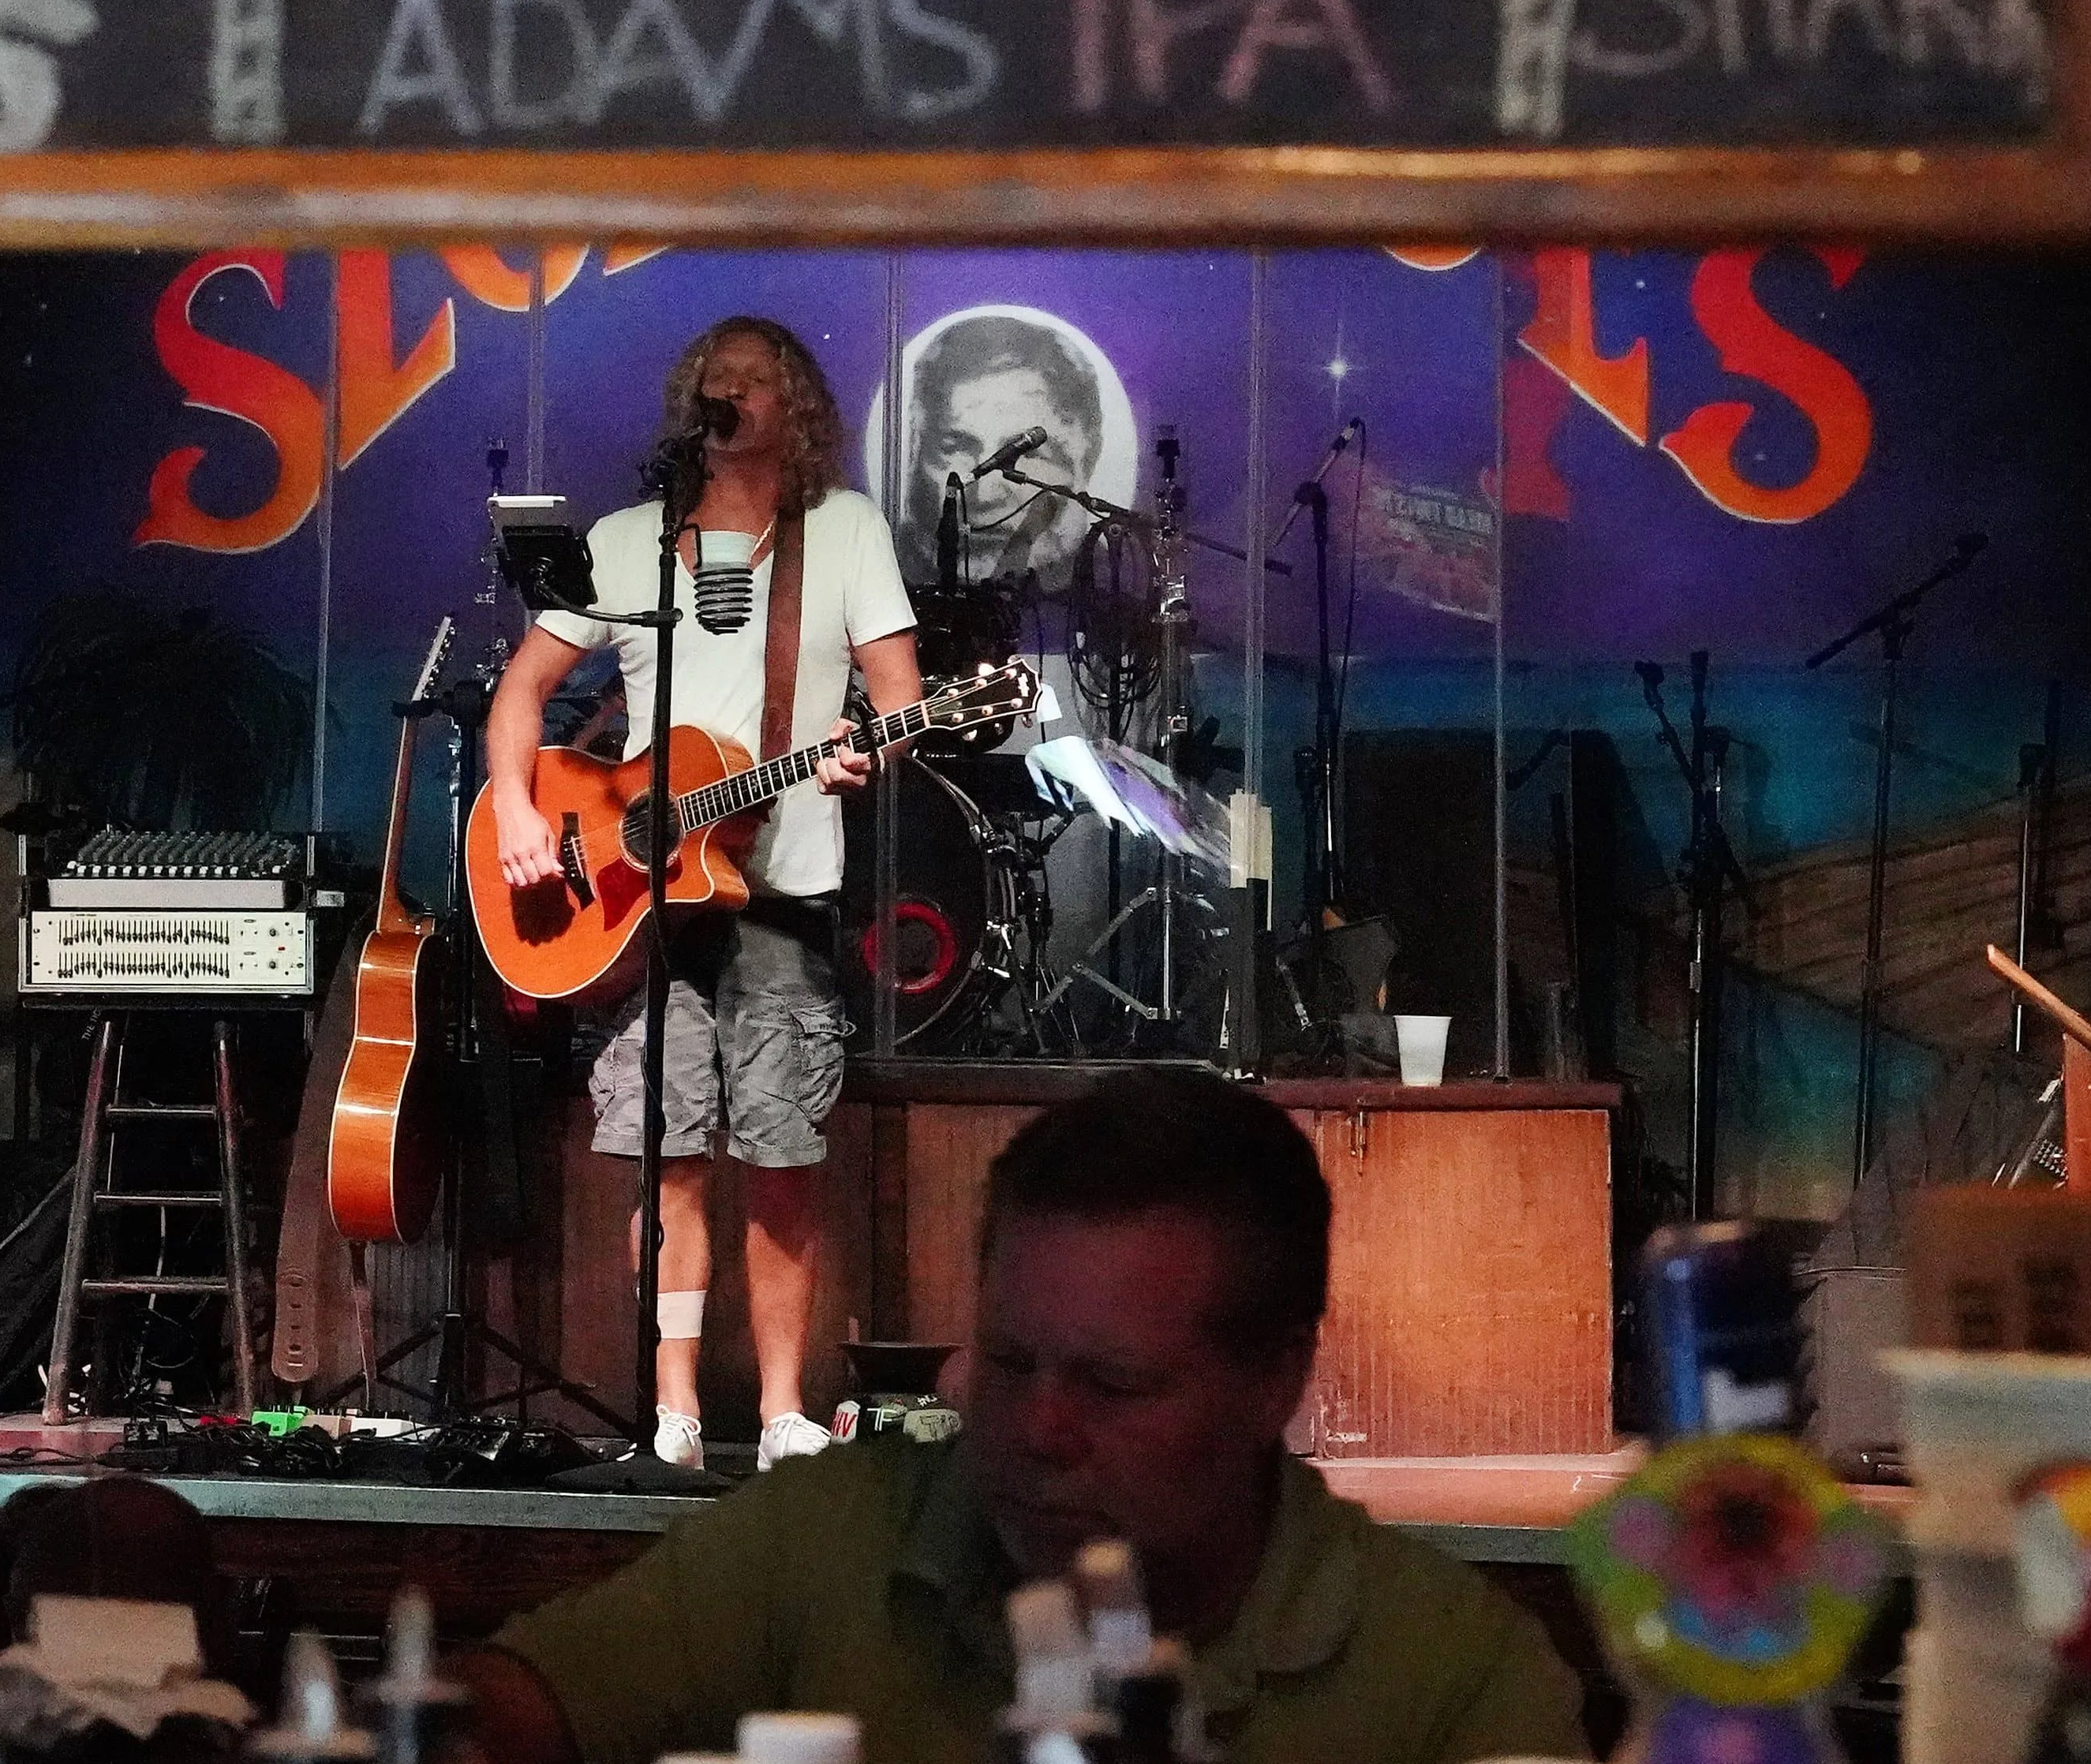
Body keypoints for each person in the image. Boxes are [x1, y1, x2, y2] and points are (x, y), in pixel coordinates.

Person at [460, 1071, 1588, 1764]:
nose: (1037, 1428)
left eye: (1114, 1384)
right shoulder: (826, 1537)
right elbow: (512, 1709)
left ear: (1275, 1381)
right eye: (1005, 1361)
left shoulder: (1450, 1676)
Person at [483, 316, 922, 1471]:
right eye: (711, 381)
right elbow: (524, 693)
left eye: (753, 381)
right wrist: (522, 810)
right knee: (661, 1149)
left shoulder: (842, 532)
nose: (727, 395)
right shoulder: (629, 540)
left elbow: (900, 698)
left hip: (780, 894)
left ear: (796, 406)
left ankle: (781, 1408)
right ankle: (670, 1403)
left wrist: (862, 741)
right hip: (638, 909)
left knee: (779, 1153)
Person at [899, 310, 1111, 592]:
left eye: (1028, 454)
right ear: (916, 451)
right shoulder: (881, 579)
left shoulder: (1117, 592)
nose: (985, 496)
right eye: (955, 448)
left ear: (1087, 456)